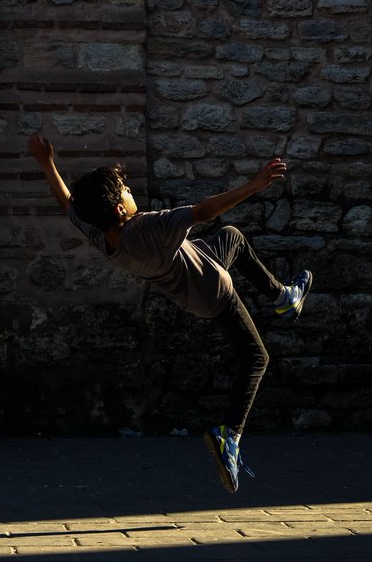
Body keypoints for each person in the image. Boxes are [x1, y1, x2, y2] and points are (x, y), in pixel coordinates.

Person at [28, 135, 313, 493]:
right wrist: (253, 185)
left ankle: (284, 297)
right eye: (127, 190)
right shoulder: (147, 228)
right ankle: (230, 436)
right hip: (213, 288)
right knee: (257, 359)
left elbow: (69, 205)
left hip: (190, 285)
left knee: (232, 237)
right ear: (119, 208)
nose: (131, 191)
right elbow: (204, 211)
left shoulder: (103, 236)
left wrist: (46, 162)